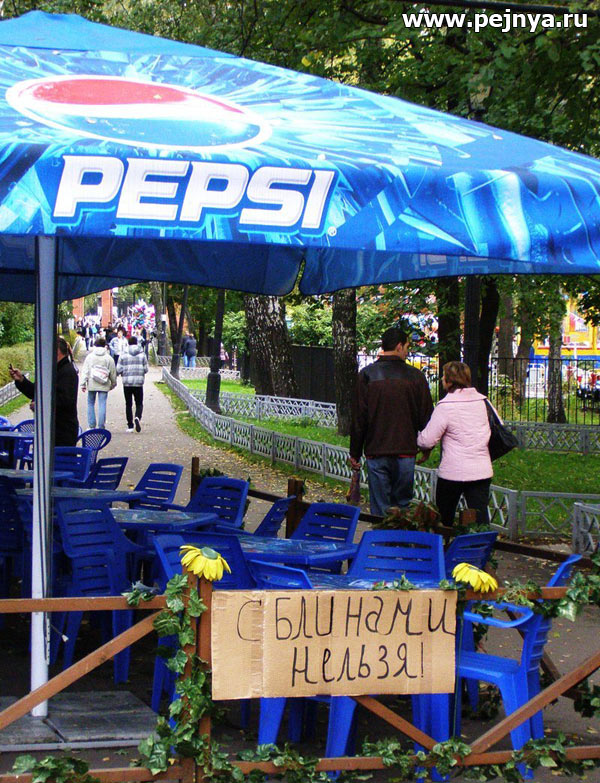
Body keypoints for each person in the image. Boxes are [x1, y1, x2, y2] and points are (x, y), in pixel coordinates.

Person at [350, 326, 433, 517]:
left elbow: (359, 417)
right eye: (407, 347)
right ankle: (399, 534)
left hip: (376, 450)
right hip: (406, 451)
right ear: (399, 346)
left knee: (380, 508)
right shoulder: (416, 377)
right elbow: (426, 416)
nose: (407, 351)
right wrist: (426, 447)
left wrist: (355, 452)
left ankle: (380, 535)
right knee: (402, 507)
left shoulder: (367, 375)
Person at [417, 360, 495, 526]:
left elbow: (427, 440)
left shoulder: (446, 406)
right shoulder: (483, 402)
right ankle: (481, 542)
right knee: (480, 519)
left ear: (449, 381)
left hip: (453, 472)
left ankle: (444, 542)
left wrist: (418, 436)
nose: (442, 380)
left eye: (443, 377)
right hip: (481, 470)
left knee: (444, 518)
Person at [9, 336, 79, 446]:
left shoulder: (67, 372)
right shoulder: (54, 371)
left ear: (56, 352)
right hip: (52, 428)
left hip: (62, 431)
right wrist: (21, 380)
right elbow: (38, 392)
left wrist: (40, 405)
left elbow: (65, 401)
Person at [79, 337, 117, 429]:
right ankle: (101, 426)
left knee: (90, 403)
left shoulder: (90, 357)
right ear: (105, 346)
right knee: (102, 404)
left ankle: (91, 425)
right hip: (104, 383)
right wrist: (113, 383)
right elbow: (112, 372)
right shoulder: (108, 358)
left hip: (92, 383)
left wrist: (83, 384)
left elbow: (85, 371)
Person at [117, 336, 148, 433]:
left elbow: (118, 369)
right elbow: (146, 369)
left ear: (128, 343)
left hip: (127, 383)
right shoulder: (142, 354)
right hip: (138, 383)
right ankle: (137, 417)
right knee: (139, 403)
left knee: (128, 404)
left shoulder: (123, 354)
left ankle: (130, 425)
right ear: (137, 343)